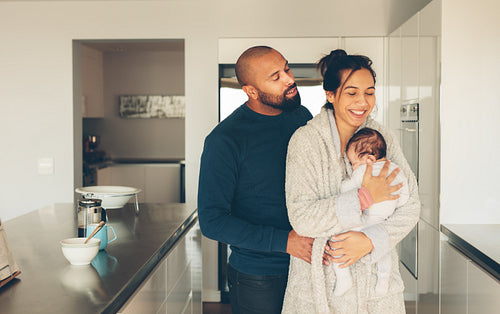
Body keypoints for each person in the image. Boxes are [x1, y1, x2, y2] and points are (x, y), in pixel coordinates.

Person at [282, 49, 420, 314]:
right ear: (330, 95)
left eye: (369, 92)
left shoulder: (384, 137)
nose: (363, 102)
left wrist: (371, 239)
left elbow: (411, 206)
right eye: (352, 92)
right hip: (320, 293)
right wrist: (361, 199)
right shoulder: (306, 142)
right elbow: (301, 217)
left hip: (377, 295)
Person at [197, 46, 314, 314]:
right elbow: (212, 221)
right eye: (276, 77)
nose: (289, 79)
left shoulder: (301, 116)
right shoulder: (224, 140)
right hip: (259, 277)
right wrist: (284, 242)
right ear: (251, 91)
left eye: (287, 68)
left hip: (309, 265)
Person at [329, 127, 410, 297]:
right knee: (383, 248)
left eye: (353, 162)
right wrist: (394, 205)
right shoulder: (397, 170)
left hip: (364, 218)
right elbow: (405, 196)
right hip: (383, 221)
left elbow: (346, 189)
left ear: (370, 159)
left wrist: (346, 181)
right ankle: (383, 279)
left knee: (337, 242)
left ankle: (344, 278)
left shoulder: (363, 171)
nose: (352, 167)